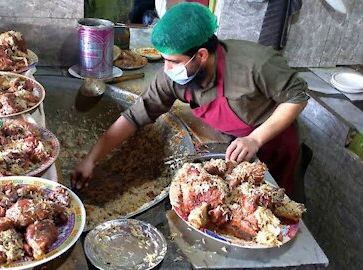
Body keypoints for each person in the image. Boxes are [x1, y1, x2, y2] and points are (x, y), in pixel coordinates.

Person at [71, 2, 308, 197]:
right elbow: (134, 117)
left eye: (173, 61)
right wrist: (92, 159)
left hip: (273, 142)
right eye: (164, 59)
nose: (167, 68)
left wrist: (255, 139)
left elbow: (297, 97)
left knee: (278, 202)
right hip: (234, 141)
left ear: (202, 55)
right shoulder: (173, 78)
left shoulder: (256, 64)